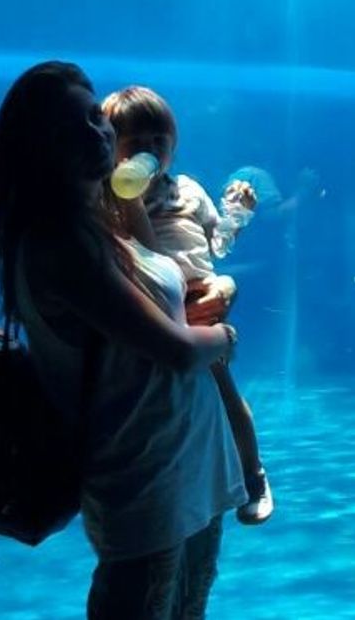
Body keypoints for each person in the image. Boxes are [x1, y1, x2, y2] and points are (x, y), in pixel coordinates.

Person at [0, 61, 246, 619]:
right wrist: (221, 336)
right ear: (38, 150)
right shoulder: (60, 244)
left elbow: (168, 291)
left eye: (96, 117)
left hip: (188, 465)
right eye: (71, 127)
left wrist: (213, 290)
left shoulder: (106, 217)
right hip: (147, 480)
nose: (96, 133)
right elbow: (174, 348)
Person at [101, 85, 275, 525]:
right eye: (136, 141)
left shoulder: (189, 191)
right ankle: (182, 489)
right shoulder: (111, 198)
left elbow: (217, 244)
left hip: (200, 300)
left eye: (159, 140)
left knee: (224, 394)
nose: (150, 149)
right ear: (111, 148)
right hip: (154, 308)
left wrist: (237, 212)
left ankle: (253, 474)